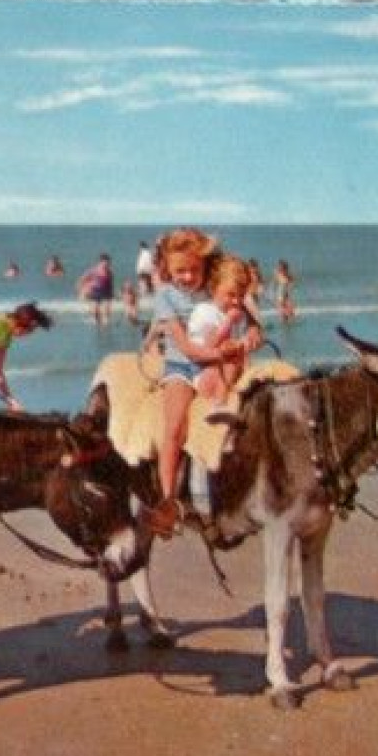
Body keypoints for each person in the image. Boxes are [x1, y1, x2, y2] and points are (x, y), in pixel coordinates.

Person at [146, 227, 244, 536]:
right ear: (168, 269)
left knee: (234, 409)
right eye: (180, 271)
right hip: (182, 365)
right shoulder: (165, 297)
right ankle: (168, 498)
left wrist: (249, 335)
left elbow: (245, 316)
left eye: (193, 270)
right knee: (174, 427)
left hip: (214, 361)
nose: (187, 277)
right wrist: (217, 355)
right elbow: (186, 347)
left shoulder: (212, 287)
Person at [189, 257, 255, 405]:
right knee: (230, 360)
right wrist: (228, 322)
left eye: (241, 296)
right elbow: (207, 348)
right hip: (205, 373)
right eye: (231, 295)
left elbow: (244, 345)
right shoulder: (204, 312)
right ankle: (219, 404)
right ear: (213, 289)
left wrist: (247, 343)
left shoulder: (240, 314)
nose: (236, 301)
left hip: (233, 372)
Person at [77, 252, 114, 326]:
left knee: (106, 310)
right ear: (101, 262)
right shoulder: (94, 270)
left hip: (106, 292)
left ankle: (105, 324)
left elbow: (111, 282)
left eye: (108, 262)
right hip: (96, 291)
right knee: (95, 312)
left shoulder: (110, 272)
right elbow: (83, 278)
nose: (106, 264)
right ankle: (97, 323)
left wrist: (112, 292)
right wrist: (80, 289)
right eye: (105, 262)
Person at [274, 258, 297, 322]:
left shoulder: (287, 275)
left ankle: (291, 322)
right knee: (283, 313)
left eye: (280, 266)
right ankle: (285, 322)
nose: (279, 267)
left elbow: (292, 283)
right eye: (279, 266)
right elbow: (275, 284)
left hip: (286, 293)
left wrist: (290, 287)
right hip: (280, 293)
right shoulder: (278, 274)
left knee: (290, 311)